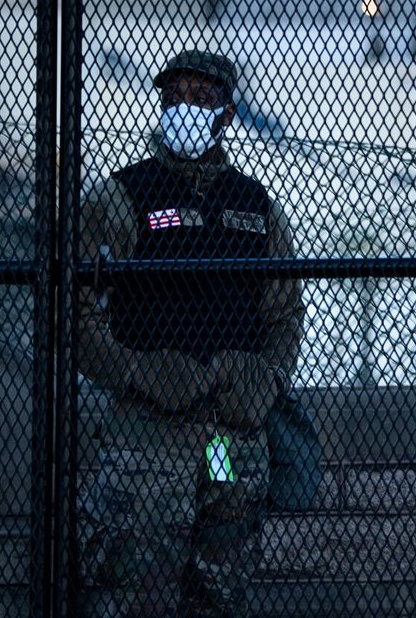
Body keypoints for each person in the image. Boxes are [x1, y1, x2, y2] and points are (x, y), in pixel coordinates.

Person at [76, 50, 304, 618]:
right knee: (135, 596)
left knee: (219, 593)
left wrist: (268, 379)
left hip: (229, 441)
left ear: (227, 112)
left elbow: (284, 312)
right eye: (175, 95)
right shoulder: (120, 197)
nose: (186, 107)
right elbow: (75, 315)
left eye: (201, 97)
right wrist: (136, 369)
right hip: (147, 439)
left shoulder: (258, 207)